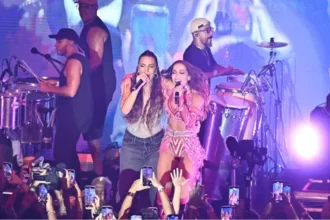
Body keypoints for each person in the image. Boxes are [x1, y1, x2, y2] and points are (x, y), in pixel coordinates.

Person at [39, 28, 93, 181]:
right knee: (66, 152)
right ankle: (72, 187)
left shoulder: (74, 61)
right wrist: (56, 83)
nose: (56, 45)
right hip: (74, 114)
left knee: (62, 153)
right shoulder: (78, 59)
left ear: (71, 42)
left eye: (59, 41)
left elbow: (71, 91)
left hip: (73, 115)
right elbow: (75, 83)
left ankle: (68, 189)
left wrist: (48, 89)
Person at [157, 60, 209, 213]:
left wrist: (180, 102)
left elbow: (189, 122)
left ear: (189, 77)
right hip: (170, 140)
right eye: (174, 72)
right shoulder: (169, 88)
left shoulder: (197, 97)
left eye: (181, 72)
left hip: (188, 143)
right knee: (162, 189)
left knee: (183, 194)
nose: (177, 76)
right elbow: (153, 76)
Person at [118, 50, 164, 208]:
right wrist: (136, 88)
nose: (146, 71)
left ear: (156, 69)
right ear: (137, 68)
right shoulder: (129, 84)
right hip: (132, 144)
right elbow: (125, 110)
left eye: (151, 67)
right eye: (143, 66)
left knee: (151, 189)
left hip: (155, 145)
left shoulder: (162, 87)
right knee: (126, 188)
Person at [76, 0, 116, 176]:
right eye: (81, 6)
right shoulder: (90, 27)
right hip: (96, 88)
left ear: (96, 8)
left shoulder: (94, 30)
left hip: (97, 90)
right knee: (93, 138)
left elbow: (94, 62)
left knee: (94, 139)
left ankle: (100, 182)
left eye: (87, 6)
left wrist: (74, 72)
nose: (83, 10)